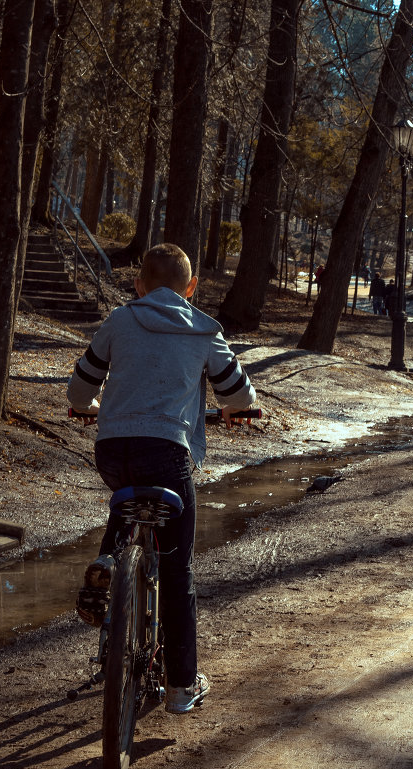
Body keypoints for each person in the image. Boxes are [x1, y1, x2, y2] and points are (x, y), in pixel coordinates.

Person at [66, 243, 257, 715]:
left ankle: (109, 562)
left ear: (139, 285)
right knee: (176, 569)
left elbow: (79, 388)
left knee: (127, 499)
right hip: (168, 454)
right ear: (191, 288)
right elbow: (239, 392)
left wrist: (88, 407)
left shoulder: (120, 320)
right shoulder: (204, 331)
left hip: (113, 451)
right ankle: (181, 686)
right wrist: (238, 411)